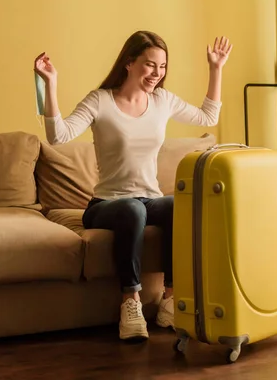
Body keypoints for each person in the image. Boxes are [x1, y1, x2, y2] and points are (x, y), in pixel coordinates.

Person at [33, 31, 232, 341]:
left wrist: (216, 68)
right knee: (132, 209)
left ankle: (170, 297)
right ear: (129, 63)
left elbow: (208, 116)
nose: (157, 74)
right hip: (107, 205)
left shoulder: (162, 101)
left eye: (163, 67)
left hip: (149, 199)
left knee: (179, 204)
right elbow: (58, 135)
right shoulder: (100, 101)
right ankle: (131, 302)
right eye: (150, 65)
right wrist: (50, 84)